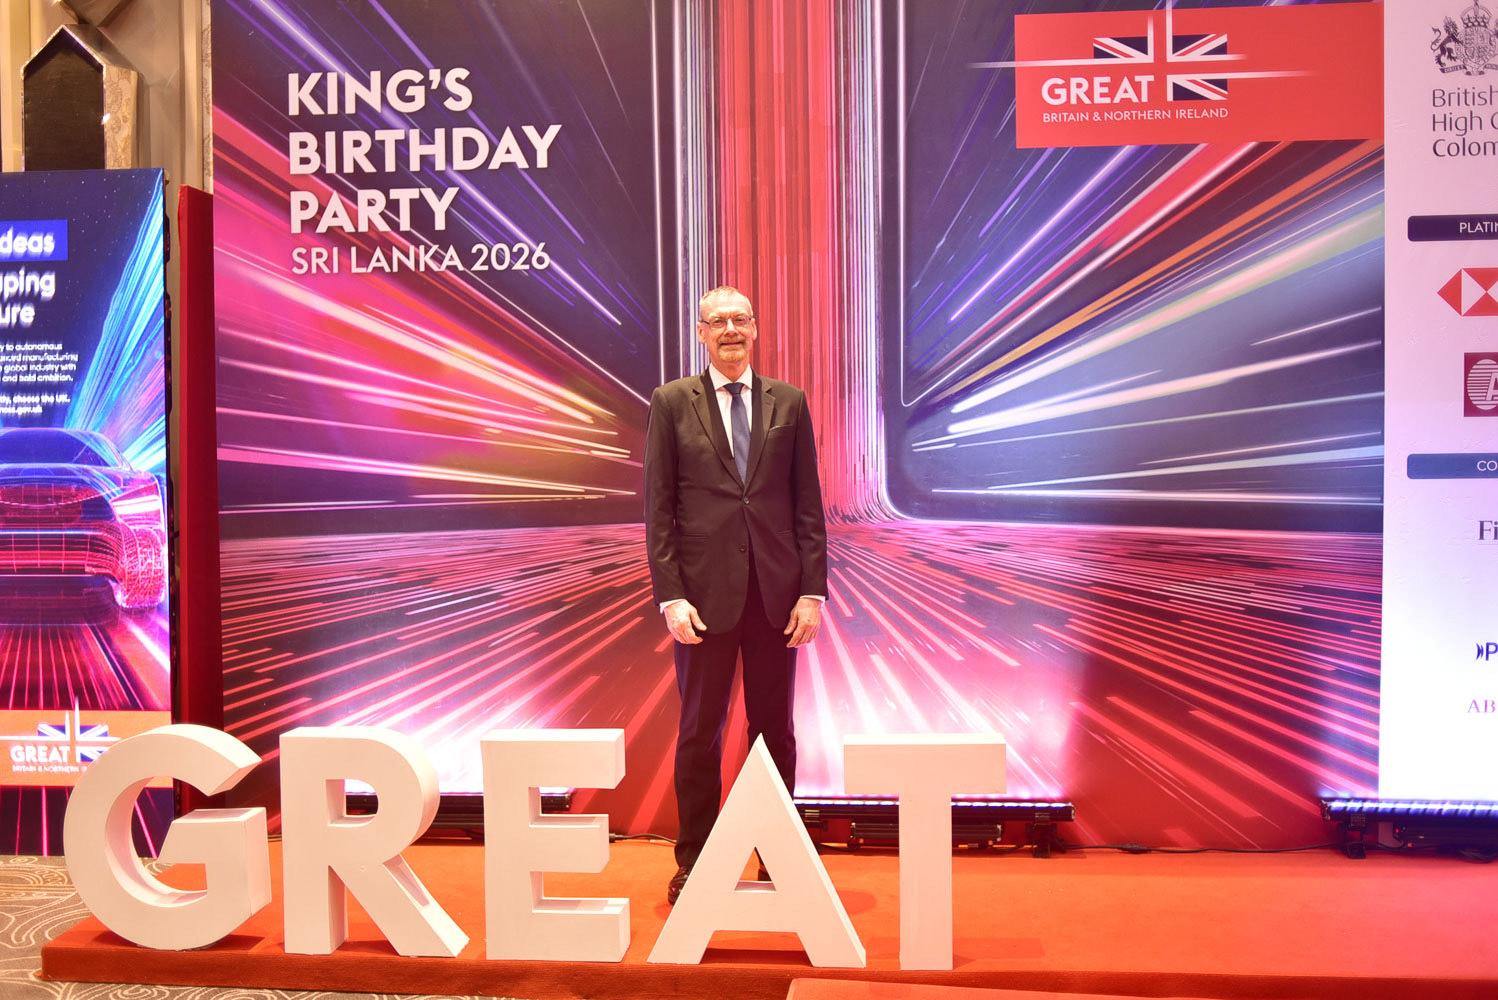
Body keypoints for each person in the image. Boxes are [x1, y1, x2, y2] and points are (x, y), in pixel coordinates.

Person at [643, 285, 828, 904]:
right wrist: (671, 595)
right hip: (701, 600)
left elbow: (807, 505)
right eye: (717, 321)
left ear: (755, 328)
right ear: (701, 332)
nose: (730, 330)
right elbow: (659, 510)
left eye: (740, 319)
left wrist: (812, 592)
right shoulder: (672, 402)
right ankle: (694, 862)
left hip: (777, 599)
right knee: (700, 732)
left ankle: (779, 860)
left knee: (775, 731)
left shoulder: (789, 402)